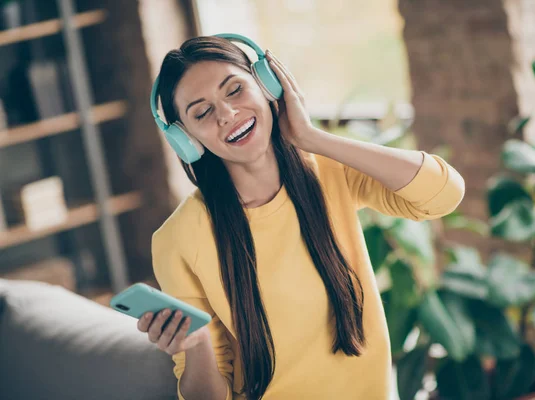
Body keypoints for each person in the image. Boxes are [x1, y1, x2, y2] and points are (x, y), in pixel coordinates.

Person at [137, 34, 465, 400]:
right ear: (186, 139)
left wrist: (311, 138)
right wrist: (196, 345)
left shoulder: (328, 170)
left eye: (235, 90)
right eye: (202, 112)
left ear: (268, 85)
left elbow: (443, 195)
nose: (227, 114)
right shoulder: (177, 239)